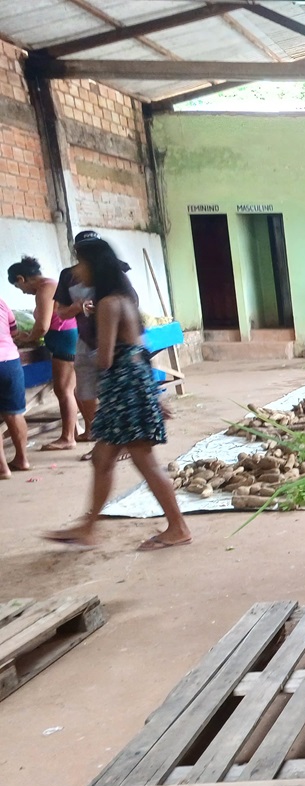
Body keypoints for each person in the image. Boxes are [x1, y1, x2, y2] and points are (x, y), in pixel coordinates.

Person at [43, 236, 191, 552]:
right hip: (130, 382)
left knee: (144, 460)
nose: (75, 272)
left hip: (123, 384)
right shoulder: (124, 297)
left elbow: (106, 358)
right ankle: (87, 527)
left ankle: (178, 527)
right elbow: (140, 350)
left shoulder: (109, 303)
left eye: (80, 264)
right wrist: (151, 396)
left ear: (94, 266)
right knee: (102, 458)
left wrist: (79, 363)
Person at [7, 255, 78, 450]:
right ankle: (77, 432)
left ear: (21, 279)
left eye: (18, 287)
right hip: (63, 338)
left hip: (63, 338)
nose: (22, 292)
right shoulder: (47, 286)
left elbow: (43, 326)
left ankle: (67, 438)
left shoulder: (45, 289)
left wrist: (26, 338)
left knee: (63, 390)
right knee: (68, 390)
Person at [52, 230, 109, 445]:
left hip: (110, 342)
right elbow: (60, 312)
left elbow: (131, 302)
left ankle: (116, 442)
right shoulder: (68, 276)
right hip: (84, 342)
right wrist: (77, 307)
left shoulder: (112, 269)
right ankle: (97, 437)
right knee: (85, 392)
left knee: (111, 392)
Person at [0, 295, 31, 478]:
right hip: (10, 361)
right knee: (14, 413)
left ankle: (3, 468)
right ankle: (22, 459)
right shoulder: (1, 301)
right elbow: (13, 330)